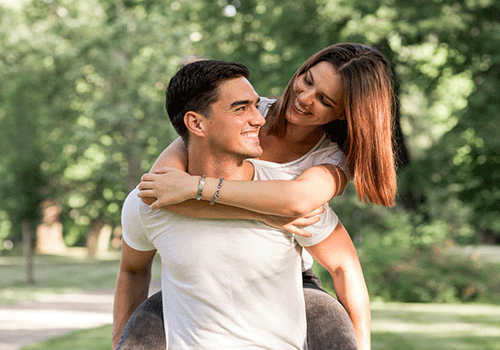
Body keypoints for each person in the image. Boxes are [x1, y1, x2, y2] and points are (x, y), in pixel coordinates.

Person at [113, 59, 370, 349]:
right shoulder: (261, 108)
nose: (305, 98)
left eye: (325, 100)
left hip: (293, 276)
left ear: (340, 114)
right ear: (196, 123)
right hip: (201, 287)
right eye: (308, 80)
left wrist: (266, 213)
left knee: (328, 320)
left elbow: (297, 203)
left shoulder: (333, 159)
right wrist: (265, 215)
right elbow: (158, 194)